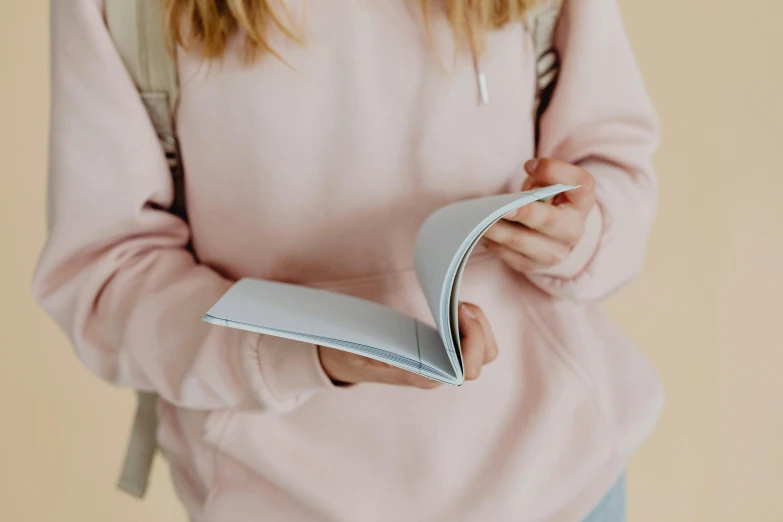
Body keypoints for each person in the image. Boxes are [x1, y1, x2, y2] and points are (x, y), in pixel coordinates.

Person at [32, 0, 663, 520]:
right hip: (276, 497)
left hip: (556, 486)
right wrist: (303, 352)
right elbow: (106, 277)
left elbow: (616, 174)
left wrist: (576, 232)